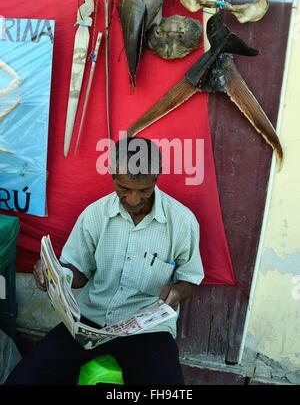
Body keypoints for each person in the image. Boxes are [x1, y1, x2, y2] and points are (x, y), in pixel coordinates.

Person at [6, 137, 204, 385]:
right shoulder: (95, 215)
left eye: (143, 190)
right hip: (90, 322)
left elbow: (191, 278)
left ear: (157, 176)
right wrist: (56, 274)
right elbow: (77, 271)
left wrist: (176, 292)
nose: (133, 200)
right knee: (25, 378)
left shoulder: (182, 222)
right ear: (112, 175)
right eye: (124, 189)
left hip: (147, 329)